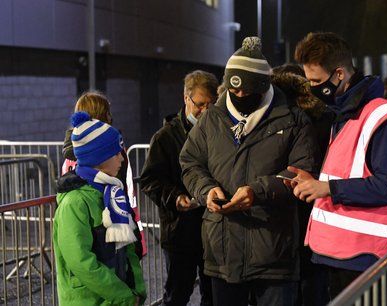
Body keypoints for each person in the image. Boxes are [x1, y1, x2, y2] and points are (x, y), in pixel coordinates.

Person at [179, 36, 318, 306]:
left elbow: (302, 172)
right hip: (223, 251)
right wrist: (206, 190)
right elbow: (190, 162)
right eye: (235, 89)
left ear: (263, 86)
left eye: (248, 90)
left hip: (274, 250)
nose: (240, 95)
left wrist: (258, 191)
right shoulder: (211, 118)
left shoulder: (293, 119)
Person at [290, 32, 387, 303]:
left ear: (339, 74)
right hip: (343, 252)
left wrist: (327, 187)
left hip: (364, 257)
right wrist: (314, 182)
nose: (311, 88)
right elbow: (351, 172)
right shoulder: (345, 112)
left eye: (316, 81)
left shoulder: (380, 116)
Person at [140, 70, 218, 306]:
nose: (205, 111)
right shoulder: (165, 137)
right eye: (200, 104)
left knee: (212, 296)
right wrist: (175, 198)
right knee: (177, 295)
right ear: (186, 98)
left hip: (212, 230)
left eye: (211, 105)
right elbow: (150, 180)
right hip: (180, 230)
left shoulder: (218, 131)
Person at [54, 112, 146, 305]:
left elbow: (127, 251)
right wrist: (124, 296)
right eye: (115, 153)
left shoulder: (112, 194)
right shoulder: (74, 203)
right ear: (99, 157)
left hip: (118, 298)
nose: (122, 158)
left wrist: (136, 289)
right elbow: (81, 262)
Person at [271, 65, 332, 306]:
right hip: (315, 213)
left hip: (277, 216)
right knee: (313, 285)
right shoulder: (324, 116)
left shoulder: (269, 116)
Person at [61, 90, 146, 258]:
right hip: (111, 226)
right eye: (108, 111)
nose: (119, 158)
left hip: (82, 228)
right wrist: (137, 238)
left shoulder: (69, 155)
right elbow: (125, 192)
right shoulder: (111, 151)